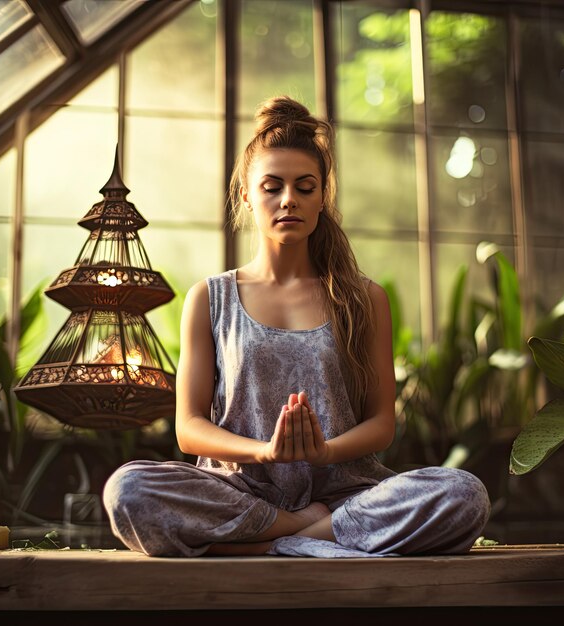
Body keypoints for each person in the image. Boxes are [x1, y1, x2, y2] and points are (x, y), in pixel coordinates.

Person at [103, 96, 490, 558]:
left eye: (305, 187)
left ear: (322, 197)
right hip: (239, 492)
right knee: (129, 490)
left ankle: (267, 545)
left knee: (463, 494)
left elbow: (382, 424)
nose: (289, 199)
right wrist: (264, 451)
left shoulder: (364, 299)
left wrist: (324, 453)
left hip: (344, 499)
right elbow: (189, 428)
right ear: (246, 194)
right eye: (272, 186)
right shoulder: (210, 297)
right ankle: (299, 532)